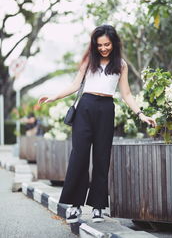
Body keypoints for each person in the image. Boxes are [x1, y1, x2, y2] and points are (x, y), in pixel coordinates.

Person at [38, 25, 157, 224]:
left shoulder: (121, 64)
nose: (103, 48)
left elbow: (126, 94)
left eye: (107, 44)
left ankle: (98, 208)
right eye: (100, 45)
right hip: (85, 108)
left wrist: (141, 114)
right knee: (80, 156)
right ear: (95, 45)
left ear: (114, 43)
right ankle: (75, 206)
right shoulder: (89, 61)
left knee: (102, 158)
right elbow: (75, 85)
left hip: (106, 109)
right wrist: (54, 97)